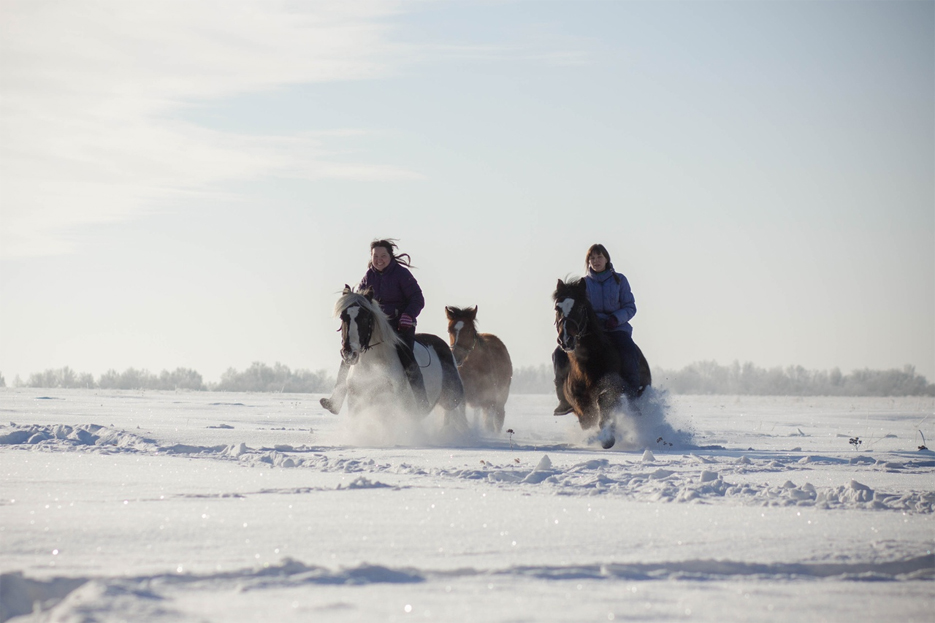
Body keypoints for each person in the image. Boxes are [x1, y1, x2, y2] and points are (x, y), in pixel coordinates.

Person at [320, 239, 430, 415]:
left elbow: (417, 298)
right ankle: (337, 399)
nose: (379, 260)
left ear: (390, 256)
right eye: (375, 256)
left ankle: (421, 401)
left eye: (383, 256)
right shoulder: (368, 276)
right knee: (349, 352)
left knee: (406, 356)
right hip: (376, 326)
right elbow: (360, 299)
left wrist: (408, 315)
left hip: (400, 325)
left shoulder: (402, 274)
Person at [553, 243, 642, 415]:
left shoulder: (620, 280)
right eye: (592, 258)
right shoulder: (583, 284)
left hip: (616, 328)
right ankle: (563, 399)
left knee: (629, 351)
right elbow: (575, 308)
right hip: (590, 331)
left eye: (599, 257)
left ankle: (632, 397)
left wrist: (616, 319)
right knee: (558, 354)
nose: (596, 261)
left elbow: (630, 307)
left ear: (607, 259)